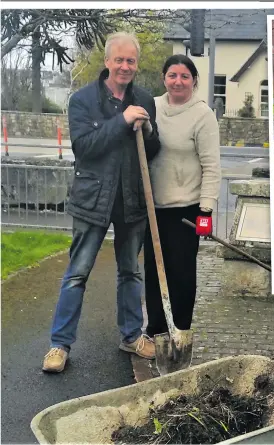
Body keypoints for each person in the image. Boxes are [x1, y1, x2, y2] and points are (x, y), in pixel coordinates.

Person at [43, 32, 161, 373]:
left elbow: (151, 152)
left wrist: (150, 132)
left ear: (136, 64)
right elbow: (85, 148)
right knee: (77, 273)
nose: (125, 66)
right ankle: (59, 345)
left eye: (131, 61)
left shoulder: (144, 99)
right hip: (93, 200)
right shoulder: (82, 101)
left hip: (131, 200)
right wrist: (122, 122)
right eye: (119, 60)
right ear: (107, 62)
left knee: (130, 272)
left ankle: (131, 336)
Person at [143, 54, 221, 344]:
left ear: (194, 81)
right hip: (152, 208)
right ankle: (156, 331)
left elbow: (212, 166)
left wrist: (206, 210)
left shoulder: (202, 115)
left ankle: (181, 331)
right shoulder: (152, 107)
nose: (178, 81)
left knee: (181, 272)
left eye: (184, 76)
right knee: (153, 271)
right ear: (164, 79)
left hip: (186, 209)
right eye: (172, 75)